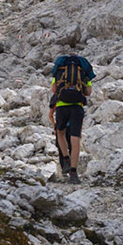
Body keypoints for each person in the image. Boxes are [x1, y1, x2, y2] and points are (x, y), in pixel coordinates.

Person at [47, 52, 94, 182]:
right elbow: (88, 92)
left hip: (62, 106)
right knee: (75, 139)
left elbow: (54, 90)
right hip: (77, 107)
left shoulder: (60, 71)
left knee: (60, 133)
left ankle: (66, 159)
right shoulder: (83, 72)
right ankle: (74, 173)